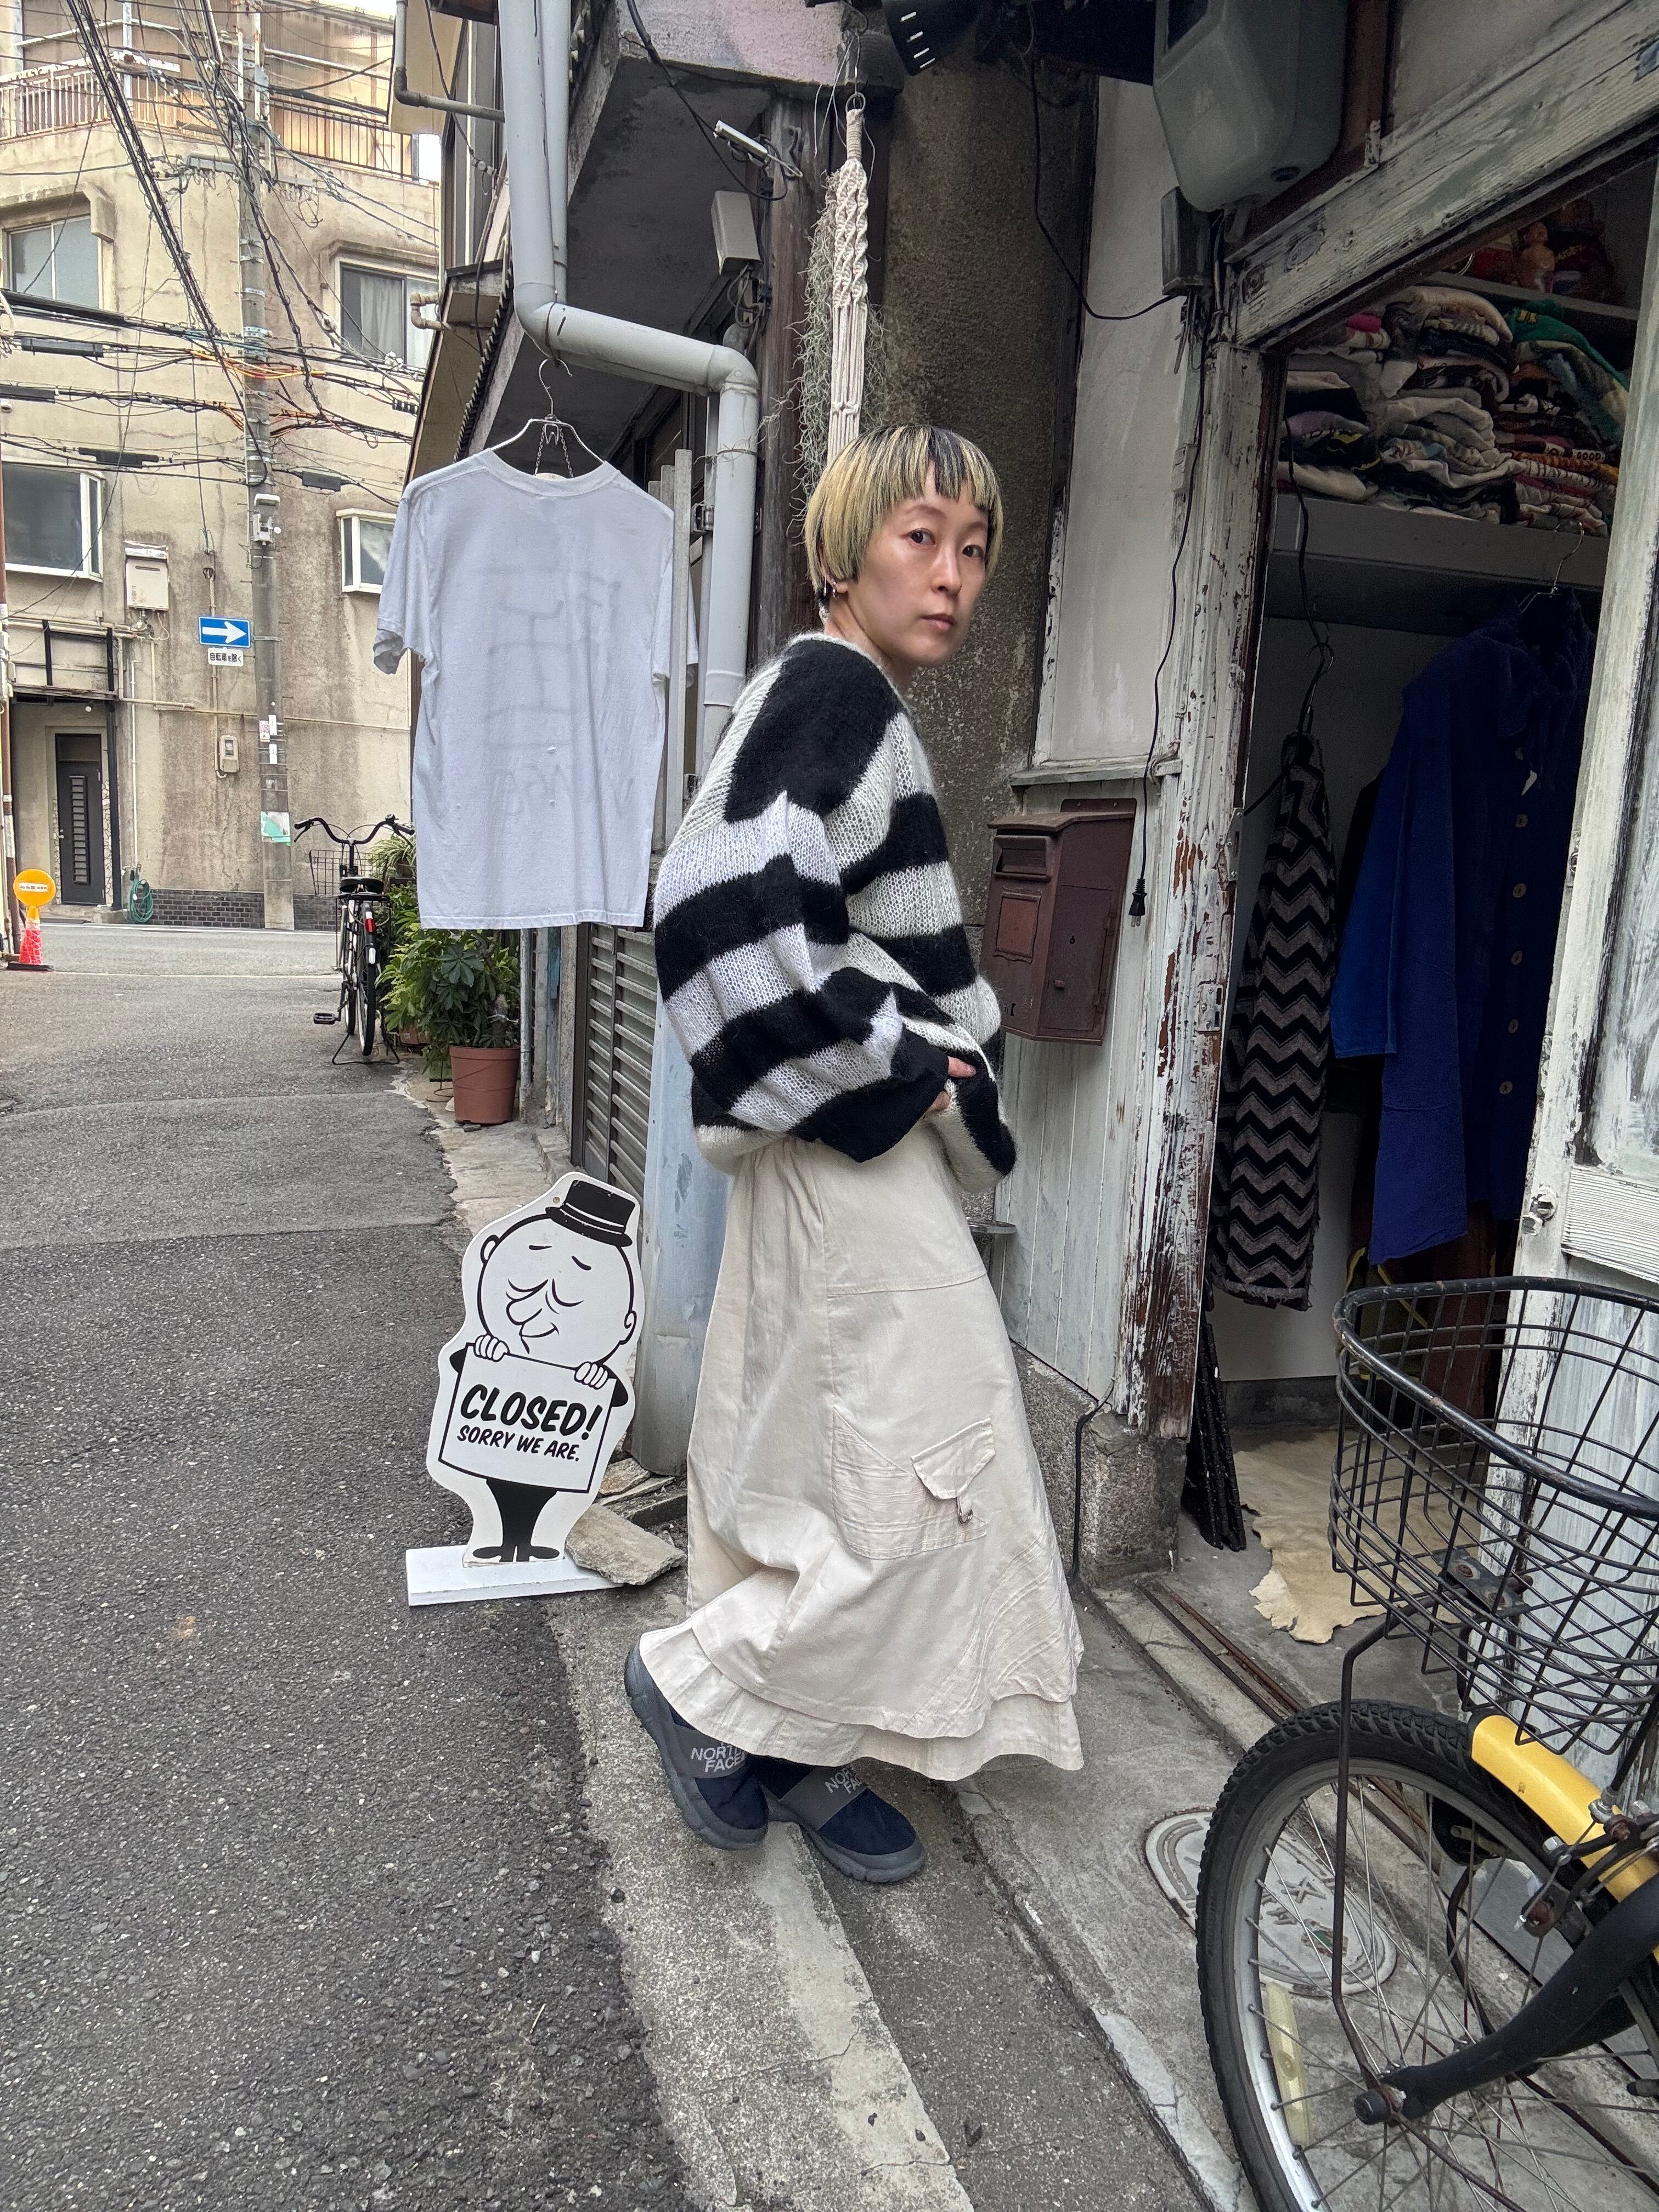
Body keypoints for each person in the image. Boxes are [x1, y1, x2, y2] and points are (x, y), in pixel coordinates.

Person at [624, 425, 1081, 1884]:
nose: (952, 577)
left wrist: (867, 1056)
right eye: (919, 538)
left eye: (974, 550)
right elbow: (708, 907)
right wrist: (903, 1063)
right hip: (855, 1159)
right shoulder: (836, 687)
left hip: (819, 1152)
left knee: (799, 1463)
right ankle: (705, 1685)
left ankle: (789, 1747)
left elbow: (752, 907)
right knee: (937, 1469)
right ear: (844, 555)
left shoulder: (839, 698)